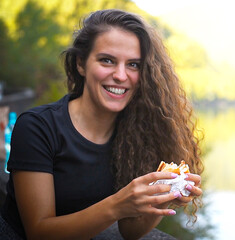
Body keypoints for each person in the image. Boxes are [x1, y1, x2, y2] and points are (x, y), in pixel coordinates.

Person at [0, 9, 203, 240]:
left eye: (134, 65)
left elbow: (129, 231)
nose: (120, 75)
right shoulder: (37, 127)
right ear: (81, 64)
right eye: (107, 60)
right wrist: (118, 204)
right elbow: (38, 232)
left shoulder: (139, 136)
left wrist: (161, 199)